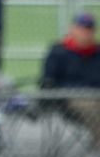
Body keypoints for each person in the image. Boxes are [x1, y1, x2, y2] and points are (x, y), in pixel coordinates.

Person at [41, 12, 100, 148]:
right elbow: (48, 81)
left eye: (89, 30)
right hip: (68, 99)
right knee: (91, 108)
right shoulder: (59, 51)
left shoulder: (97, 52)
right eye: (82, 29)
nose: (85, 33)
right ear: (72, 30)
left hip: (96, 96)